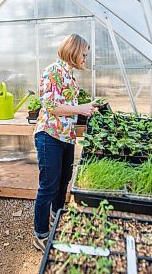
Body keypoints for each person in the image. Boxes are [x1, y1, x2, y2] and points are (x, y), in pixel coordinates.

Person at [32, 34, 94, 251]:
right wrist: (80, 109)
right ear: (74, 51)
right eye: (84, 54)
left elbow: (67, 104)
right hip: (50, 135)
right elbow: (50, 106)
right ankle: (40, 234)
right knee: (48, 186)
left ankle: (55, 218)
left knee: (64, 180)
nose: (85, 58)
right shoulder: (53, 72)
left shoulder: (69, 74)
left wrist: (86, 107)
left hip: (66, 136)